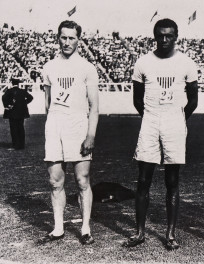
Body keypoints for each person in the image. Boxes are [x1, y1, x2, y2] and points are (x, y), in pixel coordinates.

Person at [125, 18, 198, 250]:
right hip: (150, 121)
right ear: (154, 36)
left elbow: (193, 100)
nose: (164, 40)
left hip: (174, 123)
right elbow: (137, 99)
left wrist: (177, 118)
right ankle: (139, 232)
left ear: (176, 37)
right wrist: (151, 116)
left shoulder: (186, 63)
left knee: (172, 181)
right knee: (143, 179)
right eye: (160, 35)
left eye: (169, 36)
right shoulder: (143, 62)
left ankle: (170, 234)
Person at [39, 20, 99, 245]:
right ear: (58, 38)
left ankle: (85, 228)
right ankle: (58, 228)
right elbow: (47, 104)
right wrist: (53, 127)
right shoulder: (49, 67)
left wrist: (90, 135)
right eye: (63, 37)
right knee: (55, 181)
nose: (67, 42)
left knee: (82, 180)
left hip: (78, 126)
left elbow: (94, 106)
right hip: (55, 125)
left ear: (78, 40)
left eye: (71, 38)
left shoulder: (87, 67)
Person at [2, 77, 33, 150]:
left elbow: (3, 97)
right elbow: (30, 97)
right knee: (21, 128)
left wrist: (7, 105)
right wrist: (24, 103)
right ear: (18, 83)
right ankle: (22, 145)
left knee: (14, 129)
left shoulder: (9, 91)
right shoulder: (22, 91)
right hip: (21, 112)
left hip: (12, 112)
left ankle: (15, 145)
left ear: (12, 83)